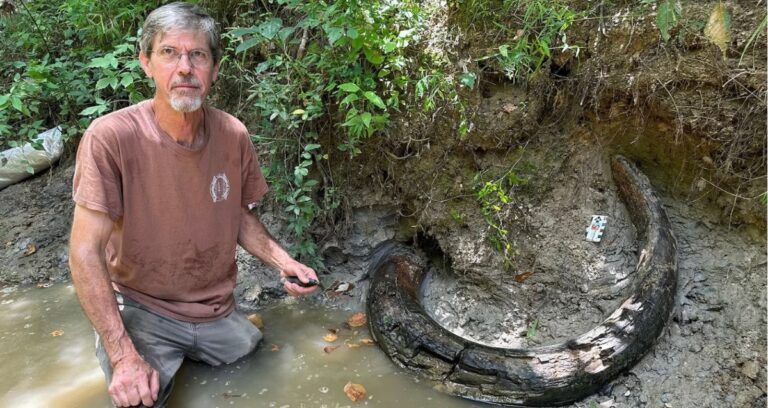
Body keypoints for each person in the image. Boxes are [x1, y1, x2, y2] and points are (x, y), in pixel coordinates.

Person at [68, 3, 319, 407]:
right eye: (169, 52)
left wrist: (284, 262)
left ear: (214, 69)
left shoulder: (232, 134)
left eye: (198, 55)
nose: (185, 67)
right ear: (146, 63)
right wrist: (123, 355)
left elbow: (238, 215)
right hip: (142, 307)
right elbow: (84, 252)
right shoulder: (111, 137)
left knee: (258, 366)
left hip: (214, 310)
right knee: (140, 399)